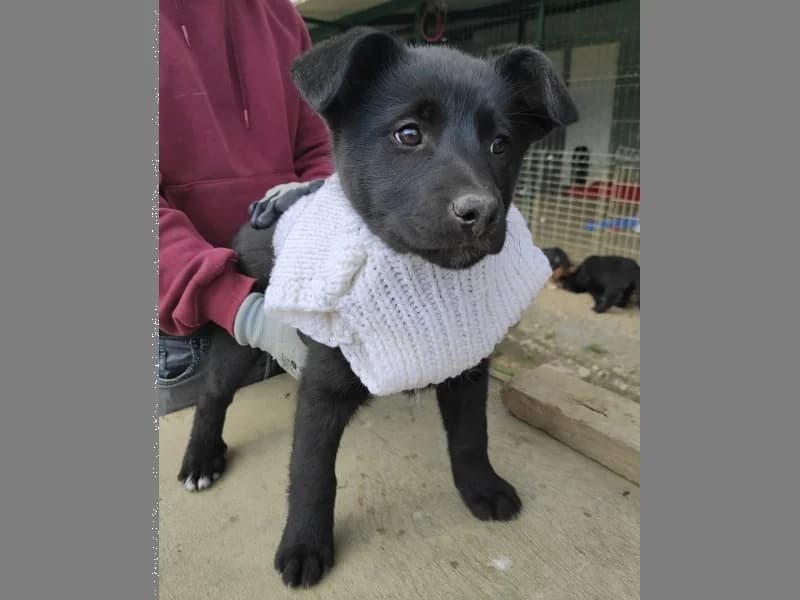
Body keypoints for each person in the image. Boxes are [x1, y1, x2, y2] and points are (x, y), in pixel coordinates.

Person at [158, 0, 333, 414]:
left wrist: (316, 199)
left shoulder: (282, 16)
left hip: (292, 303)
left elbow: (316, 146)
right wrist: (244, 312)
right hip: (185, 333)